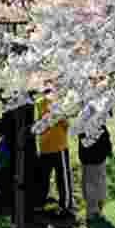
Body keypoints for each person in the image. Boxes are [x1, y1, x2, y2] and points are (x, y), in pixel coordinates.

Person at [37, 89, 75, 219]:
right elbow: (66, 124)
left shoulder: (39, 103)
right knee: (63, 178)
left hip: (45, 146)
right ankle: (67, 206)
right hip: (59, 146)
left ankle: (39, 203)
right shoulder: (59, 103)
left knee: (43, 177)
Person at [78, 119, 113, 228]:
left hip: (92, 160)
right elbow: (106, 137)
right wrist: (108, 150)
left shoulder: (85, 121)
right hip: (95, 158)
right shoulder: (96, 119)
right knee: (97, 184)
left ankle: (93, 214)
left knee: (91, 186)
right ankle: (96, 212)